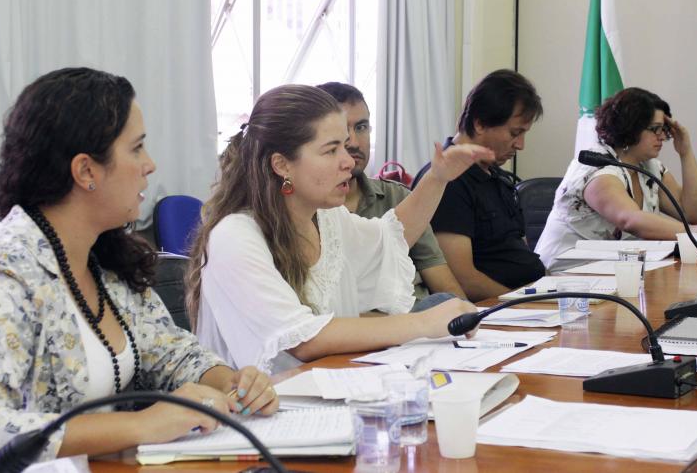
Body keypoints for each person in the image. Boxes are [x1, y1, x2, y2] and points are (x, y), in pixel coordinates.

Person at [0, 68, 278, 471]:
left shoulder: (105, 256)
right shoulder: (0, 278)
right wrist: (140, 425)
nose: (150, 165)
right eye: (137, 148)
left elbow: (168, 351)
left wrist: (229, 381)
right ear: (86, 171)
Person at [186, 85, 489, 374]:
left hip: (327, 393)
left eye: (345, 146)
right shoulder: (235, 236)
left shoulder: (326, 219)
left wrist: (438, 178)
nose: (348, 160)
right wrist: (423, 324)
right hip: (261, 415)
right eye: (331, 150)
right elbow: (304, 340)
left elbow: (391, 239)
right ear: (282, 165)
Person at [534, 87, 697, 272]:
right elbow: (629, 219)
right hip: (564, 278)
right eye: (656, 129)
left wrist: (685, 151)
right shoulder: (597, 166)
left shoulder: (648, 166)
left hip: (614, 273)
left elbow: (694, 214)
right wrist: (694, 232)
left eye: (665, 129)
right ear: (630, 128)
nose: (663, 136)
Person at [316, 81, 468, 307]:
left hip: (424, 323)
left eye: (361, 127)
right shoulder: (308, 211)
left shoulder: (397, 196)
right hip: (390, 328)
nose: (354, 143)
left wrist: (472, 324)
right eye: (340, 134)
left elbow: (443, 282)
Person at [412, 69, 546, 301]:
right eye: (515, 133)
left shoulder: (496, 176)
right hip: (497, 313)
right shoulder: (448, 182)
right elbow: (463, 279)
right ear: (480, 123)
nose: (521, 145)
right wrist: (525, 303)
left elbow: (519, 250)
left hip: (527, 303)